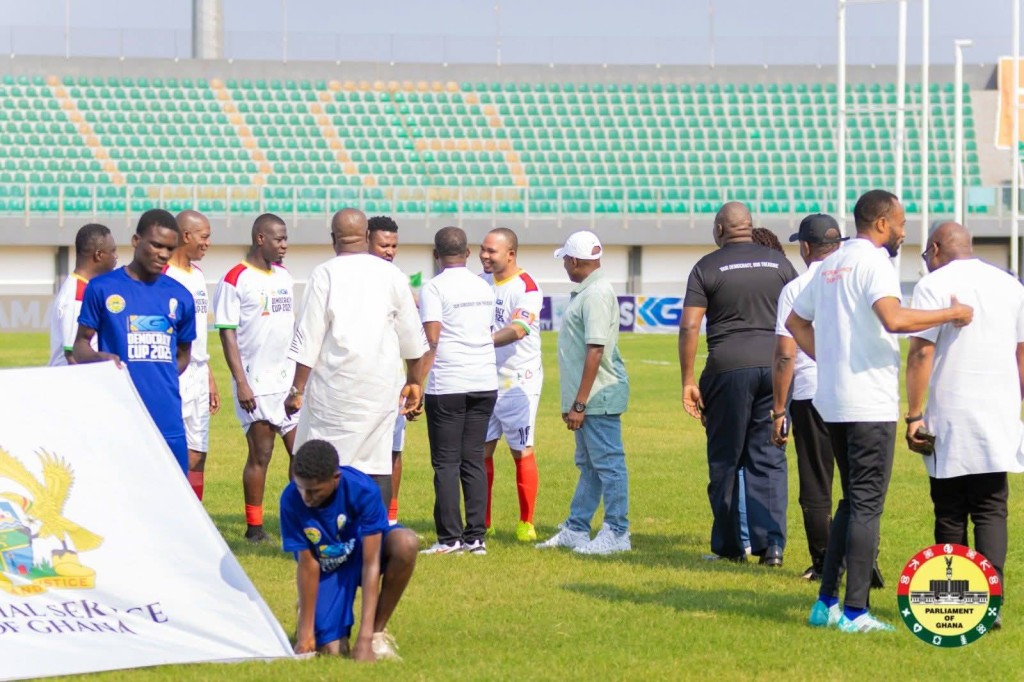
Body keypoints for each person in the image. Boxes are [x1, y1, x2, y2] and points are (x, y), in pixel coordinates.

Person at [787, 190, 974, 633]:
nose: (905, 233)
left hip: (833, 400)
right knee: (867, 505)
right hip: (867, 401)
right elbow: (894, 319)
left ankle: (826, 602)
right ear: (883, 223)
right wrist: (951, 313)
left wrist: (829, 359)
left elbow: (795, 322)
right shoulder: (873, 263)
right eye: (902, 223)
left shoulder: (830, 263)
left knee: (851, 501)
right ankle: (856, 611)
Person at [906, 221, 1024, 623]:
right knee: (991, 508)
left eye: (926, 254)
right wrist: (1013, 403)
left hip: (949, 413)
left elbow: (921, 353)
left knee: (950, 510)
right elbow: (1022, 354)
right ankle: (992, 604)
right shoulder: (1010, 285)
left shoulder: (933, 284)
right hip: (998, 413)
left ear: (936, 248)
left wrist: (914, 414)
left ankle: (956, 599)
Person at [679, 202, 798, 566]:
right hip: (775, 367)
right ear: (749, 225)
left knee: (726, 459)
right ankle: (772, 547)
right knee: (769, 457)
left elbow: (690, 325)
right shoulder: (780, 264)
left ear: (720, 229)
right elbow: (799, 315)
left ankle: (731, 547)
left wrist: (687, 379)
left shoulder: (707, 266)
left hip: (727, 368)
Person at [286, 209, 428, 507]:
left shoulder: (324, 273)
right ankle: (375, 528)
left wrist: (296, 390)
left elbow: (308, 338)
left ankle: (324, 526)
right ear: (366, 236)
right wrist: (415, 382)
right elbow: (413, 341)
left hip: (333, 388)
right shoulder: (393, 275)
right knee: (377, 465)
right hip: (380, 387)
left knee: (323, 461)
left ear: (333, 239)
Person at [73, 209, 196, 475]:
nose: (163, 254)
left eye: (169, 248)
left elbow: (184, 354)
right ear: (136, 240)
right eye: (156, 245)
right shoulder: (102, 288)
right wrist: (100, 359)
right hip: (119, 416)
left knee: (171, 495)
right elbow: (80, 346)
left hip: (167, 417)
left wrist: (158, 373)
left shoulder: (181, 296)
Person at [536, 230, 631, 555]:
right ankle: (577, 528)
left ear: (575, 261)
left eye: (565, 259)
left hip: (596, 397)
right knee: (590, 465)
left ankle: (617, 532)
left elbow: (595, 350)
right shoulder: (590, 292)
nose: (564, 265)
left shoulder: (595, 295)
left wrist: (579, 403)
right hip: (589, 396)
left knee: (609, 465)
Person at [280, 438, 418, 661]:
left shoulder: (363, 490)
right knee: (332, 650)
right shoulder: (290, 499)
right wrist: (305, 633)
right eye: (301, 488)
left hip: (362, 554)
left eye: (314, 491)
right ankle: (310, 615)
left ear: (335, 478)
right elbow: (307, 564)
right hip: (327, 565)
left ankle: (376, 634)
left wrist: (365, 638)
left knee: (406, 542)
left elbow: (371, 563)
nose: (306, 498)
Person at [771, 214, 846, 580]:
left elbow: (786, 354)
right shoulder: (854, 282)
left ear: (804, 247)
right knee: (858, 484)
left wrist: (778, 410)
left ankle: (824, 563)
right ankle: (865, 562)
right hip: (854, 392)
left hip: (810, 392)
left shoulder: (796, 288)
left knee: (816, 482)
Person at [214, 213, 296, 543]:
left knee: (301, 454)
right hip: (256, 382)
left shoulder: (284, 275)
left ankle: (297, 520)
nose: (285, 245)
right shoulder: (235, 278)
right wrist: (241, 383)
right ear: (261, 238)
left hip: (288, 382)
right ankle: (255, 528)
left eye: (286, 238)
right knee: (261, 454)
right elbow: (227, 333)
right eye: (279, 239)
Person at [418, 226, 498, 555]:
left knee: (446, 463)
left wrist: (416, 382)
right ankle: (476, 538)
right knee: (473, 460)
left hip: (449, 382)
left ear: (435, 255)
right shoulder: (484, 286)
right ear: (467, 253)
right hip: (485, 380)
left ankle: (449, 539)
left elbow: (432, 339)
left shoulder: (433, 287)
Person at [479, 227, 543, 543]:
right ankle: (483, 522)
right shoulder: (480, 282)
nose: (485, 255)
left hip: (519, 380)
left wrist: (480, 341)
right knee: (481, 451)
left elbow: (518, 329)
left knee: (521, 450)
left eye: (491, 251)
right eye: (483, 249)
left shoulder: (527, 287)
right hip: (484, 377)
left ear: (511, 254)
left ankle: (526, 522)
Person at [163, 210, 220, 500]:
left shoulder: (197, 275)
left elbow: (197, 335)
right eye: (204, 237)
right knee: (170, 451)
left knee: (198, 453)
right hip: (173, 373)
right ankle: (170, 511)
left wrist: (208, 374)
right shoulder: (163, 275)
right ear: (186, 236)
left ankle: (196, 517)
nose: (208, 243)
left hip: (198, 371)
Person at [366, 215, 410, 525]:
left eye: (393, 246)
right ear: (367, 239)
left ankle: (390, 519)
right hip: (359, 380)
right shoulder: (351, 277)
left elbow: (411, 334)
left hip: (394, 380)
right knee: (360, 453)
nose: (389, 251)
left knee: (394, 450)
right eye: (383, 245)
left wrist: (414, 381)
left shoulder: (399, 279)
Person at [49, 223, 118, 366]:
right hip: (70, 377)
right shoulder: (78, 294)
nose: (116, 257)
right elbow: (73, 356)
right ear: (99, 255)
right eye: (112, 251)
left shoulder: (85, 287)